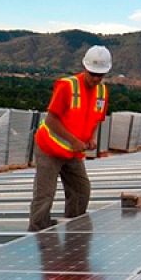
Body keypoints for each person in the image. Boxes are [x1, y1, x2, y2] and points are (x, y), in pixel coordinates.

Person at [28, 46, 112, 232]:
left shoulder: (102, 92)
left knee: (81, 190)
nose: (96, 79)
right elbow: (51, 120)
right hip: (50, 147)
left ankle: (74, 230)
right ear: (85, 68)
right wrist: (73, 140)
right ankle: (37, 234)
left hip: (73, 152)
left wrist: (91, 138)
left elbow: (96, 118)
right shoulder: (68, 86)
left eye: (101, 75)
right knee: (45, 195)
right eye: (93, 74)